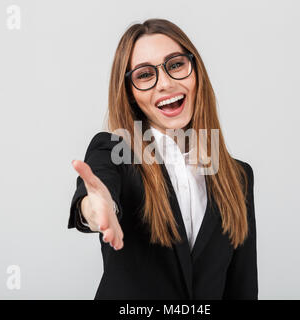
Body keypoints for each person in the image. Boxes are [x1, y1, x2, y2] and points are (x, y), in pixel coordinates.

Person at [69, 18, 258, 299]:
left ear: (196, 72)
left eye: (176, 65)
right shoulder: (114, 151)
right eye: (145, 75)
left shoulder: (238, 177)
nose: (166, 83)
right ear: (131, 94)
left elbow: (241, 288)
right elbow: (95, 194)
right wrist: (97, 208)